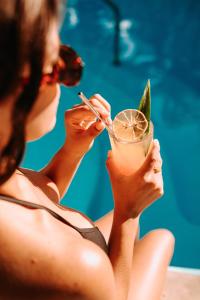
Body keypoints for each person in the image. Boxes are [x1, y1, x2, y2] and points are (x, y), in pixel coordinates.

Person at [0, 1, 175, 299]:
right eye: (61, 68)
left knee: (160, 237)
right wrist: (127, 214)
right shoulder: (82, 265)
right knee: (160, 239)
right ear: (19, 86)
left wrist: (73, 149)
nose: (66, 85)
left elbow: (34, 198)